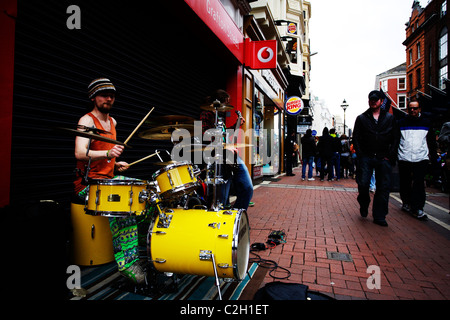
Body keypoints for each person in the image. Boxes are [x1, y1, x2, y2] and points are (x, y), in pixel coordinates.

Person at [74, 78, 145, 284]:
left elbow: (105, 159)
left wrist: (115, 164)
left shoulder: (113, 122)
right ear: (93, 97)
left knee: (141, 194)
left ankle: (133, 248)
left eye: (112, 95)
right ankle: (127, 264)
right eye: (104, 94)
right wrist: (107, 152)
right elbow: (80, 153)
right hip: (88, 185)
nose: (109, 98)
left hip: (108, 180)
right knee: (124, 206)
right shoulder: (87, 121)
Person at [200, 89, 253, 210]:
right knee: (222, 198)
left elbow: (225, 134)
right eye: (226, 102)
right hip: (217, 157)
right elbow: (204, 134)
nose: (226, 106)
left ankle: (238, 216)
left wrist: (236, 124)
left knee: (247, 188)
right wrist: (224, 145)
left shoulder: (219, 117)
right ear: (218, 102)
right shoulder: (206, 114)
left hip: (229, 155)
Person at [353, 90, 399, 227]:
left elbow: (396, 138)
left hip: (383, 157)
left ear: (381, 101)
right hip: (366, 157)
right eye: (371, 99)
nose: (373, 101)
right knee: (363, 184)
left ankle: (379, 216)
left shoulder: (390, 118)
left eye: (376, 99)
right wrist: (361, 155)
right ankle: (364, 202)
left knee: (383, 187)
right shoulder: (361, 118)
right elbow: (356, 138)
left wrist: (390, 155)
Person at [397, 99, 436, 220]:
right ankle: (406, 202)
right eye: (410, 108)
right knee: (405, 182)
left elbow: (431, 142)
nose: (412, 110)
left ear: (419, 109)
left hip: (421, 158)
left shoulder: (426, 123)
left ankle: (418, 207)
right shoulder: (401, 123)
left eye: (415, 108)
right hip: (404, 158)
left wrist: (432, 157)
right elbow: (396, 140)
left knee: (419, 184)